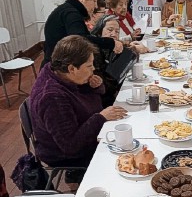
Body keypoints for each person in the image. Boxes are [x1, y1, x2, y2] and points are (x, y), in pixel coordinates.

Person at [29, 35, 127, 177]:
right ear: (72, 68)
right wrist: (100, 118)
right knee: (125, 153)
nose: (93, 68)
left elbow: (89, 100)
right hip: (63, 155)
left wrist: (97, 87)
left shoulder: (62, 73)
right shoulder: (52, 97)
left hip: (82, 133)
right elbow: (71, 146)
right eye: (89, 65)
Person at [43, 0, 123, 66]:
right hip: (57, 71)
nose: (96, 6)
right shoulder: (71, 13)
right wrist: (111, 43)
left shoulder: (66, 10)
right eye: (93, 0)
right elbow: (81, 40)